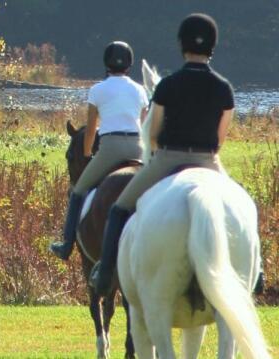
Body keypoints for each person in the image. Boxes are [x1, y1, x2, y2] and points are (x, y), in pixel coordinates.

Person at [89, 14, 265, 296]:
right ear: (212, 46)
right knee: (245, 205)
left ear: (183, 46)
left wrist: (162, 154)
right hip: (209, 161)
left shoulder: (167, 86)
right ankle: (256, 271)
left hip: (167, 159)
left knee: (119, 209)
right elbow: (220, 137)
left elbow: (154, 132)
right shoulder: (224, 89)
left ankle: (105, 271)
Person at [49, 41, 149, 260]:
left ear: (107, 63)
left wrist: (86, 155)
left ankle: (66, 245)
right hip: (138, 147)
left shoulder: (97, 90)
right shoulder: (140, 90)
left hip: (110, 147)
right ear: (129, 64)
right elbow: (143, 123)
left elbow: (91, 128)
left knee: (78, 191)